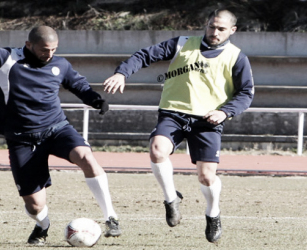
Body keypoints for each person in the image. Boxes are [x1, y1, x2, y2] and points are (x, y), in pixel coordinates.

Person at [0, 26, 121, 245]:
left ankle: (111, 217)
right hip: (21, 139)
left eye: (53, 49)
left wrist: (95, 99)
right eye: (44, 50)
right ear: (29, 45)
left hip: (56, 128)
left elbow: (78, 84)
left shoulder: (60, 64)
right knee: (34, 205)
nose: (49, 54)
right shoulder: (5, 59)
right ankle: (43, 226)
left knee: (86, 156)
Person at [103, 9, 254, 243]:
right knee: (156, 150)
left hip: (207, 122)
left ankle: (213, 214)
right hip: (173, 113)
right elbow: (144, 55)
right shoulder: (182, 43)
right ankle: (171, 198)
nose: (215, 32)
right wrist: (122, 73)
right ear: (206, 24)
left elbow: (246, 93)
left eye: (221, 29)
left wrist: (225, 112)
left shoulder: (237, 57)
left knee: (206, 177)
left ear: (232, 31)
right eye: (212, 26)